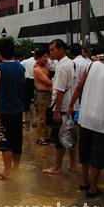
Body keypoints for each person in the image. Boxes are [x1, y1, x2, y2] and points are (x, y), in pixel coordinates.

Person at [66, 39, 104, 198]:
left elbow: (79, 87)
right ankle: (93, 187)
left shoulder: (91, 66)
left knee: (84, 150)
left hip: (85, 116)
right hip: (103, 120)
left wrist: (71, 105)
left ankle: (84, 181)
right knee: (98, 154)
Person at [0, 38, 25, 180]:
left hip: (4, 109)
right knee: (17, 140)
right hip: (18, 109)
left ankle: (7, 171)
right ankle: (16, 170)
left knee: (5, 141)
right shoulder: (20, 67)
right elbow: (22, 86)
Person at [43, 39, 77, 175]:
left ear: (61, 49)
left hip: (62, 107)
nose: (51, 52)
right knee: (70, 137)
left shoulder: (62, 67)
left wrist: (56, 111)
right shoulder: (71, 63)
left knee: (60, 139)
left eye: (53, 49)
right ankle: (73, 165)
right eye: (50, 50)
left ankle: (57, 167)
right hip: (70, 106)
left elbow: (60, 91)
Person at [33, 49, 53, 145]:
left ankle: (45, 136)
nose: (46, 59)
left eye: (47, 57)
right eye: (44, 57)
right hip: (42, 94)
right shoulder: (37, 69)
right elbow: (48, 82)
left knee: (46, 117)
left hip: (48, 94)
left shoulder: (46, 67)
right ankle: (41, 137)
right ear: (38, 58)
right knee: (42, 117)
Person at [21, 51, 36, 125]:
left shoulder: (24, 62)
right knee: (35, 101)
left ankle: (24, 118)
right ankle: (34, 119)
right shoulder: (37, 61)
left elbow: (20, 68)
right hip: (36, 82)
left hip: (27, 82)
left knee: (25, 100)